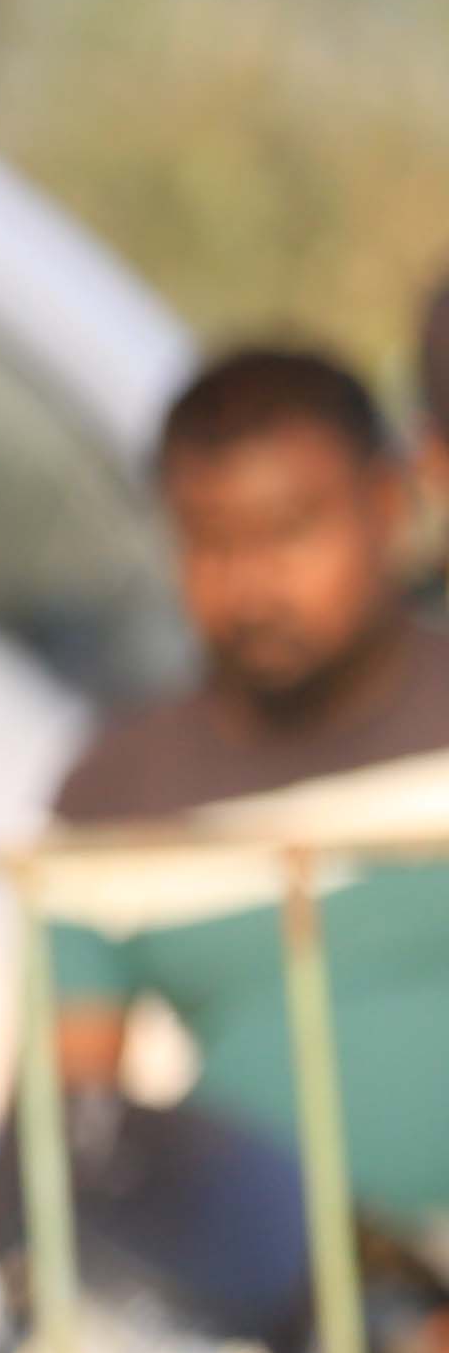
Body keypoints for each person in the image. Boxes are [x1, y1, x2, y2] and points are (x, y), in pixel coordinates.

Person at [45, 341, 449, 1222]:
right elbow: (66, 1134)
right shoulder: (116, 796)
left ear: (388, 504)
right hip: (259, 1292)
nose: (251, 586)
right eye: (210, 541)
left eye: (290, 531)